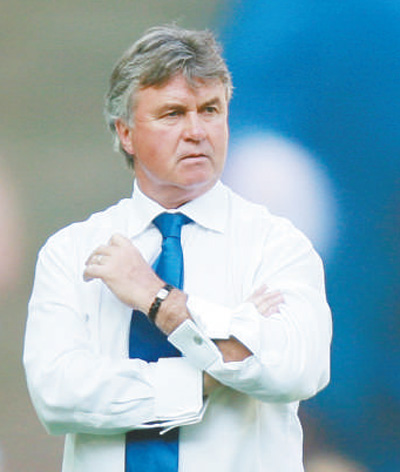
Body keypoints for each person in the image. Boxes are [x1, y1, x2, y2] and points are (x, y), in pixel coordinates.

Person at [23, 25, 332, 472]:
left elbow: (297, 369)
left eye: (210, 110)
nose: (197, 131)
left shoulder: (278, 245)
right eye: (172, 113)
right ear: (126, 133)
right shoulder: (72, 252)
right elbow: (58, 396)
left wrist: (159, 300)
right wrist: (206, 375)